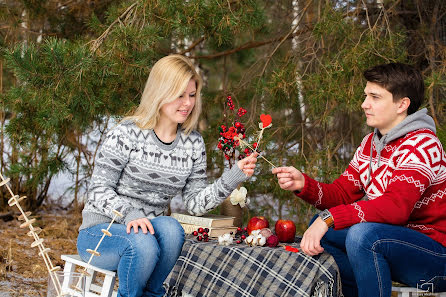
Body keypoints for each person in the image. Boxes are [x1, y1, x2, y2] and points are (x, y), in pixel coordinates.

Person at [77, 54, 258, 297]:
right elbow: (98, 191)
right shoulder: (126, 133)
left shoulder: (192, 142)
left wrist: (233, 176)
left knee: (172, 229)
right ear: (159, 93)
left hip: (146, 235)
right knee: (142, 243)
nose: (187, 103)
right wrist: (130, 215)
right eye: (179, 95)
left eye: (192, 95)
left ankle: (152, 293)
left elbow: (194, 204)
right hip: (101, 232)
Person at [272, 63, 446, 297]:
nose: (364, 104)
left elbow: (396, 208)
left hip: (434, 258)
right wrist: (304, 184)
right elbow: (342, 195)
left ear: (402, 104)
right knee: (327, 231)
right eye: (366, 96)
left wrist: (330, 217)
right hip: (393, 244)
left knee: (361, 236)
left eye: (375, 97)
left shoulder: (422, 145)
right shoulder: (370, 144)